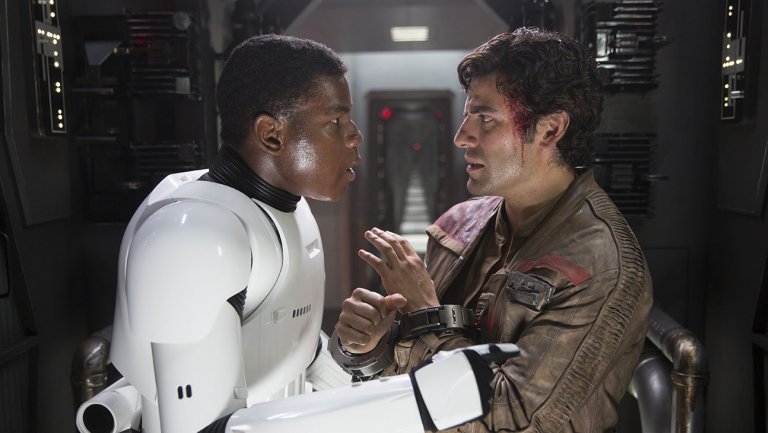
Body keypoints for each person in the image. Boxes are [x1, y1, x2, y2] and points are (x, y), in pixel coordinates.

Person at [333, 27, 653, 432]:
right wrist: (371, 347)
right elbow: (417, 374)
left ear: (550, 130)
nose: (461, 137)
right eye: (467, 116)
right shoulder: (462, 224)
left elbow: (511, 419)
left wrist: (426, 312)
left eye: (485, 118)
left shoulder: (601, 264)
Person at [78, 34, 363, 433]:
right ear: (271, 134)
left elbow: (295, 349)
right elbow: (199, 426)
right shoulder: (196, 236)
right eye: (335, 121)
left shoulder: (290, 208)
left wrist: (364, 374)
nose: (354, 136)